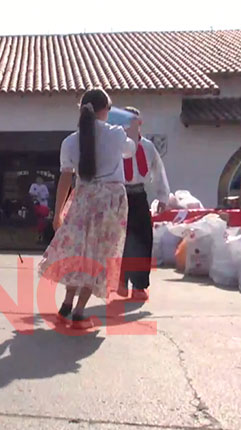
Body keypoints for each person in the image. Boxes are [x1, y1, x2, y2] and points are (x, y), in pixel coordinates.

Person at [38, 88, 136, 328]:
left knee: (79, 253)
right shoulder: (116, 134)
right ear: (105, 110)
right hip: (111, 201)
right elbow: (131, 150)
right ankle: (80, 313)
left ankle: (67, 304)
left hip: (83, 198)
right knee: (100, 255)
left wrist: (58, 212)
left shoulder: (70, 141)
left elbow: (65, 178)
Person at [117, 106, 171, 301]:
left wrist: (163, 197)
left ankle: (139, 286)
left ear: (140, 124)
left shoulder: (148, 147)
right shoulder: (114, 145)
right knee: (119, 240)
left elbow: (158, 171)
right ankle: (120, 281)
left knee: (142, 239)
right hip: (118, 196)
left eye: (135, 121)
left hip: (139, 196)